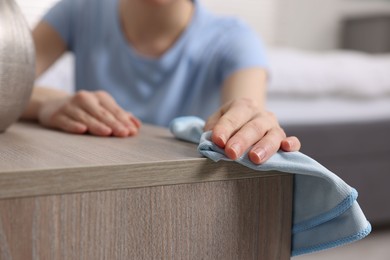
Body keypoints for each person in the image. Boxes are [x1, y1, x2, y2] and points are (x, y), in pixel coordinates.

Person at [22, 0, 300, 164]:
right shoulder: (79, 10)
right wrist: (46, 102)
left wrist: (252, 123)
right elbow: (5, 80)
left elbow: (248, 108)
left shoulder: (235, 40)